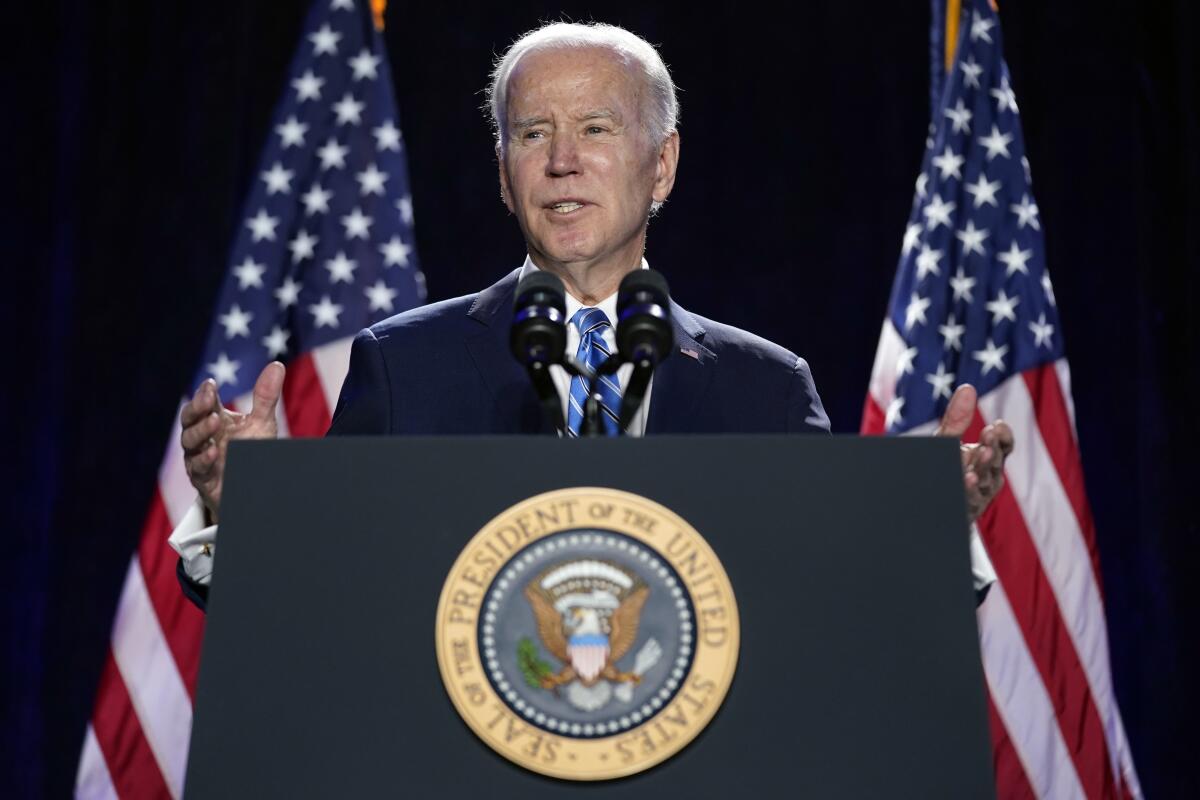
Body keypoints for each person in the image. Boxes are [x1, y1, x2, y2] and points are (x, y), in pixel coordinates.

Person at [171, 22, 1013, 608]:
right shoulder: (404, 366)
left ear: (662, 165)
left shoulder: (765, 386)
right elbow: (328, 597)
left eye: (596, 128)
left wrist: (921, 524)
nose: (563, 161)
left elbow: (830, 599)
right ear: (503, 176)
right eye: (532, 134)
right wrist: (246, 513)